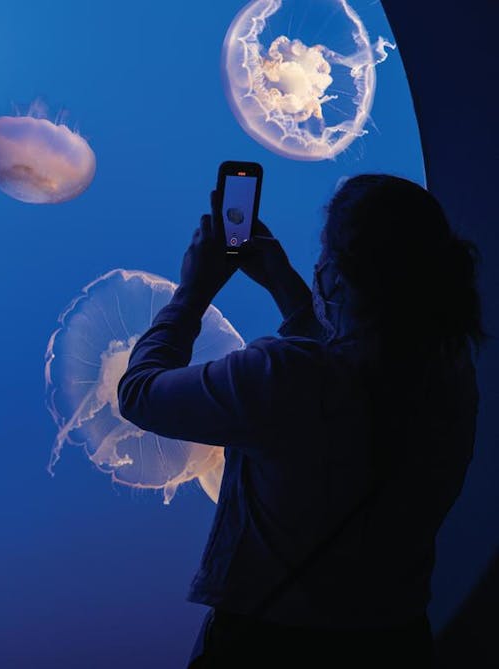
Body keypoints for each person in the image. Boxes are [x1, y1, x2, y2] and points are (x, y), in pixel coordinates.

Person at [117, 174, 483, 668]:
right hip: (395, 643)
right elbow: (356, 377)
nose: (319, 266)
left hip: (271, 648)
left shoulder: (281, 378)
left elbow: (139, 393)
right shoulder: (451, 379)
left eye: (326, 254)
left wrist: (193, 291)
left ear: (338, 275)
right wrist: (281, 280)